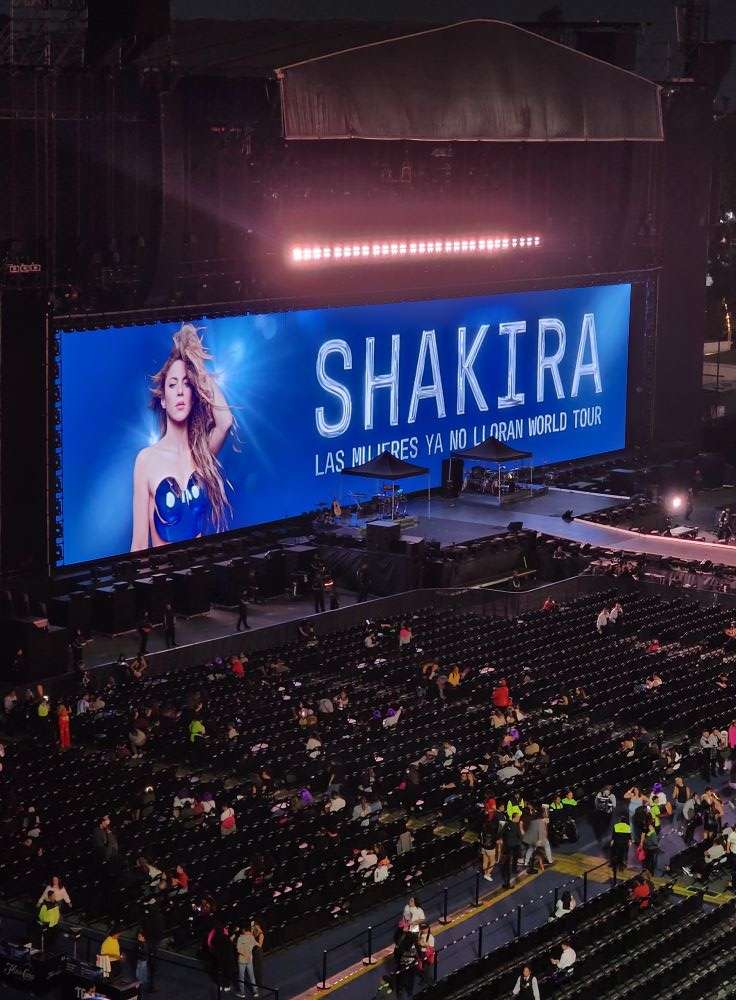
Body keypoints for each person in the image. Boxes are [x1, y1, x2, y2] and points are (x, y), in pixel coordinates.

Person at [131, 323, 234, 551]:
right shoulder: (146, 460)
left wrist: (196, 367)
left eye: (186, 384)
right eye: (172, 384)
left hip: (202, 568)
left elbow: (225, 422)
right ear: (163, 400)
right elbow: (139, 544)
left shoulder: (201, 453)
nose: (179, 391)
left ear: (193, 395)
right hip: (165, 571)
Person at [236, 922, 259, 997]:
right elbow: (256, 944)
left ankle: (242, 993)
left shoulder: (240, 938)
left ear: (242, 930)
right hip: (249, 959)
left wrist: (245, 954)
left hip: (242, 960)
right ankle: (255, 992)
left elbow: (239, 949)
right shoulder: (251, 937)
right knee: (252, 976)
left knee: (241, 977)